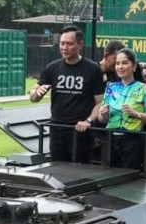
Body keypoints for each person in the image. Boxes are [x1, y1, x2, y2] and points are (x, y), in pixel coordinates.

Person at [30, 26, 104, 163]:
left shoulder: (93, 69)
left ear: (80, 45)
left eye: (69, 44)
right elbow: (33, 97)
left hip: (81, 132)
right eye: (62, 43)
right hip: (56, 130)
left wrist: (88, 121)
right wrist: (37, 93)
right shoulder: (52, 68)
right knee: (57, 170)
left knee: (79, 172)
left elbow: (100, 101)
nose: (64, 47)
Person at [96, 48, 146, 170]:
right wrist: (103, 114)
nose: (120, 67)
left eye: (124, 63)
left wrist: (136, 114)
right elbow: (101, 120)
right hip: (110, 140)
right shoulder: (110, 87)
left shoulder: (145, 89)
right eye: (118, 63)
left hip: (132, 141)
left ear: (134, 66)